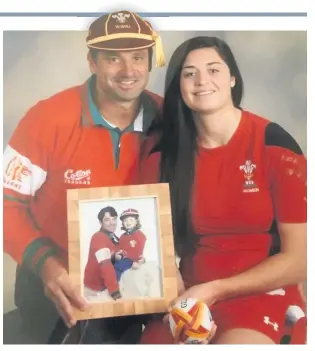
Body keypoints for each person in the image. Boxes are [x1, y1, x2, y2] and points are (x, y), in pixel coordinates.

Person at [3, 10, 165, 344]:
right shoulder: (46, 119)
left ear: (150, 61)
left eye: (138, 57)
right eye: (113, 59)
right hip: (52, 284)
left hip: (137, 283)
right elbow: (6, 205)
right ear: (92, 61)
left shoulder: (169, 120)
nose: (128, 71)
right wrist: (47, 266)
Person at [133, 36, 307, 344]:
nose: (202, 81)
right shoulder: (162, 153)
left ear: (232, 79)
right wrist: (185, 306)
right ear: (179, 86)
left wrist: (215, 290)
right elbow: (156, 248)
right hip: (190, 298)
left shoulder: (274, 144)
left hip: (261, 294)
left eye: (213, 70)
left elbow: (302, 258)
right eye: (189, 73)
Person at [84, 207, 122, 300]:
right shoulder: (98, 238)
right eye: (107, 220)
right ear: (101, 222)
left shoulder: (115, 238)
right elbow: (105, 265)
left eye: (114, 219)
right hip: (94, 291)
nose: (112, 223)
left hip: (106, 287)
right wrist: (115, 292)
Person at [114, 208, 147, 278]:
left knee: (118, 267)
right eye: (125, 220)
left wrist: (135, 261)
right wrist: (118, 254)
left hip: (133, 259)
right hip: (124, 258)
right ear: (122, 223)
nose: (128, 222)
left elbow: (137, 251)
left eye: (131, 219)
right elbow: (119, 247)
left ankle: (113, 285)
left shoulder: (140, 235)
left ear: (136, 221)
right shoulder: (123, 236)